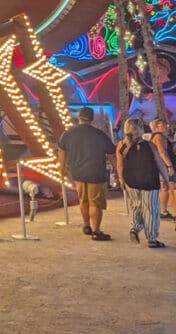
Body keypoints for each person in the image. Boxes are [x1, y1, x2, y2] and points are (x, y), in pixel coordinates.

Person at [58, 106, 116, 241]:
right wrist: (116, 170)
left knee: (83, 199)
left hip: (77, 172)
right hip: (96, 172)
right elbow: (111, 153)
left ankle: (86, 225)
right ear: (92, 119)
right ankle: (96, 231)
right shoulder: (99, 134)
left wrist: (62, 168)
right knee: (95, 203)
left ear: (79, 117)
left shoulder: (68, 133)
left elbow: (61, 151)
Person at [116, 117, 171, 247]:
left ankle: (135, 228)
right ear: (140, 129)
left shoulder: (121, 145)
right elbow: (159, 163)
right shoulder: (149, 145)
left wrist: (121, 180)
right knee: (150, 209)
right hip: (149, 181)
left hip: (131, 180)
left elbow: (120, 165)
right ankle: (151, 238)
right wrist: (167, 179)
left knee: (136, 205)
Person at [149, 118, 176, 220]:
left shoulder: (160, 136)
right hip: (165, 167)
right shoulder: (158, 137)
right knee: (173, 190)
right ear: (156, 127)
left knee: (165, 188)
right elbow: (162, 152)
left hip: (161, 167)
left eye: (166, 125)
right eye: (163, 125)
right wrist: (169, 166)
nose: (166, 127)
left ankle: (163, 212)